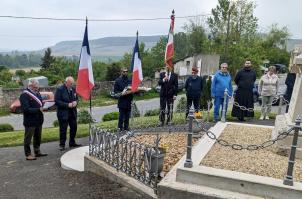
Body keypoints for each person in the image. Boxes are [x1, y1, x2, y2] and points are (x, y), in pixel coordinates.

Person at [20, 79, 47, 160]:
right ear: (30, 86)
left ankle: (37, 151)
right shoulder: (24, 95)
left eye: (37, 87)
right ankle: (28, 154)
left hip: (39, 119)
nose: (37, 88)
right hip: (30, 121)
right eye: (35, 87)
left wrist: (44, 106)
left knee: (37, 137)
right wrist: (38, 110)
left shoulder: (37, 93)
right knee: (28, 138)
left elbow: (40, 104)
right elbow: (26, 109)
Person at [55, 76, 81, 151]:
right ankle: (62, 144)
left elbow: (76, 98)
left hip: (72, 112)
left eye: (72, 83)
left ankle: (72, 142)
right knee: (63, 129)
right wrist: (67, 105)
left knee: (74, 127)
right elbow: (57, 101)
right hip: (63, 113)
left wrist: (76, 102)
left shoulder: (73, 89)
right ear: (66, 82)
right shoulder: (60, 89)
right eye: (70, 83)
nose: (72, 84)